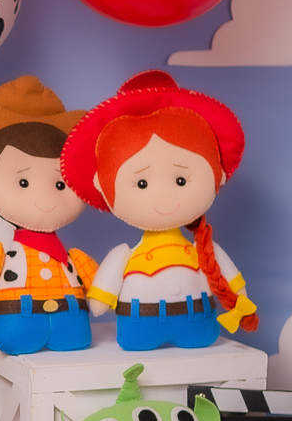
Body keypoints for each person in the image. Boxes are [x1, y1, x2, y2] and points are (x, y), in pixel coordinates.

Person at [61, 71, 257, 352]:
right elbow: (101, 298)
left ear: (218, 175)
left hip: (196, 317)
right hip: (140, 320)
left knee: (199, 339)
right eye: (141, 183)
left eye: (181, 180)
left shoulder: (205, 251)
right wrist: (101, 298)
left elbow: (230, 280)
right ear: (102, 188)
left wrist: (238, 296)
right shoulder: (124, 255)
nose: (163, 197)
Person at [0, 76, 97, 355]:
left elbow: (99, 289)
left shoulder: (75, 257)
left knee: (74, 338)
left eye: (60, 184)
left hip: (70, 316)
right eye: (23, 182)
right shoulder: (0, 254)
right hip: (17, 316)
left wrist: (102, 298)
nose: (44, 198)